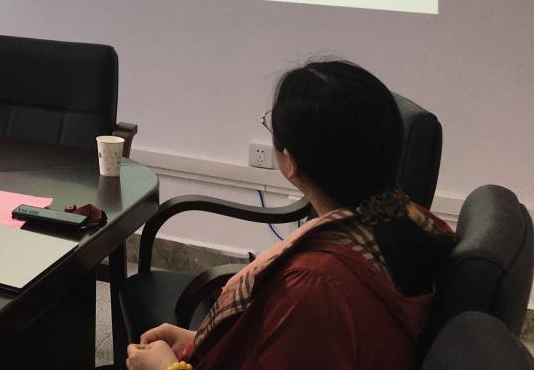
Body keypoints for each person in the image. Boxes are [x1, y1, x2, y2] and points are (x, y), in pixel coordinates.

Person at [127, 60, 455, 370]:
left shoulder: (313, 288)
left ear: (290, 161)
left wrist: (164, 366)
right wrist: (199, 340)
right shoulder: (411, 222)